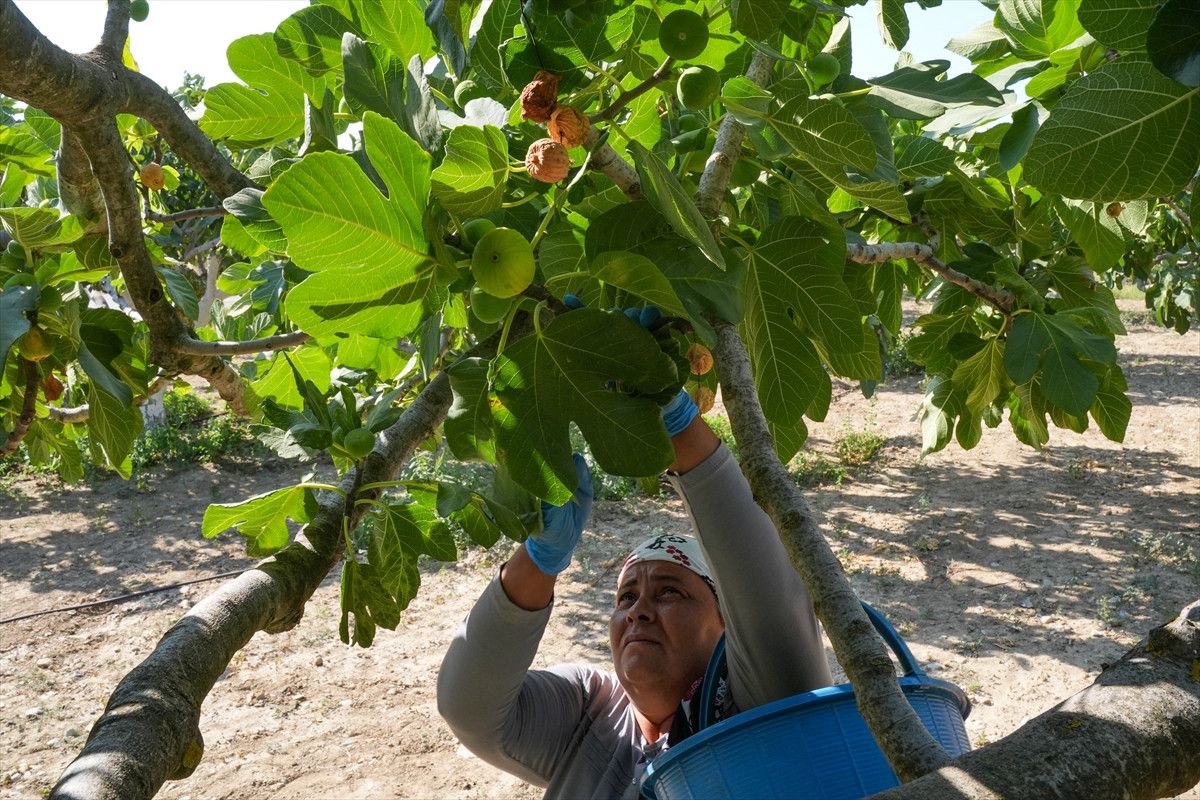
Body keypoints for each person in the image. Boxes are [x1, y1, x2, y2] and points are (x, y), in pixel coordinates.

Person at [438, 385, 833, 800]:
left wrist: (675, 421)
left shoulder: (761, 696)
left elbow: (768, 596)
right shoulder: (592, 710)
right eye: (626, 597)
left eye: (670, 593)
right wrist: (539, 560)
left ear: (727, 622)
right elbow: (468, 708)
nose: (638, 611)